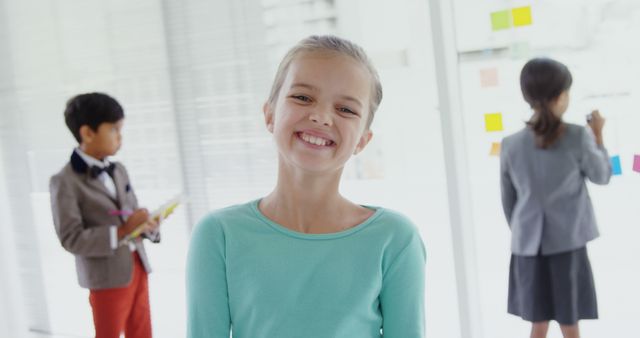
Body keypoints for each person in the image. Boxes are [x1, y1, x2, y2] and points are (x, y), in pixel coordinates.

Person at [186, 35, 426, 338]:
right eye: (302, 97)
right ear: (269, 114)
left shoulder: (395, 239)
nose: (320, 116)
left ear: (363, 140)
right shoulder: (218, 234)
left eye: (346, 109)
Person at [500, 58, 611, 338]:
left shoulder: (511, 144)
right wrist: (598, 136)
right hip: (568, 244)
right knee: (569, 322)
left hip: (527, 246)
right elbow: (601, 175)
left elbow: (508, 201)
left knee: (537, 323)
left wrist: (525, 232)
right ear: (561, 96)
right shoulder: (576, 136)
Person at [49, 92, 161, 338]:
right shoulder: (64, 182)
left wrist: (148, 224)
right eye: (113, 130)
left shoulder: (118, 169)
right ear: (87, 133)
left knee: (143, 332)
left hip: (137, 266)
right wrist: (121, 231)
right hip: (106, 277)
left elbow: (130, 212)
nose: (120, 137)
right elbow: (71, 238)